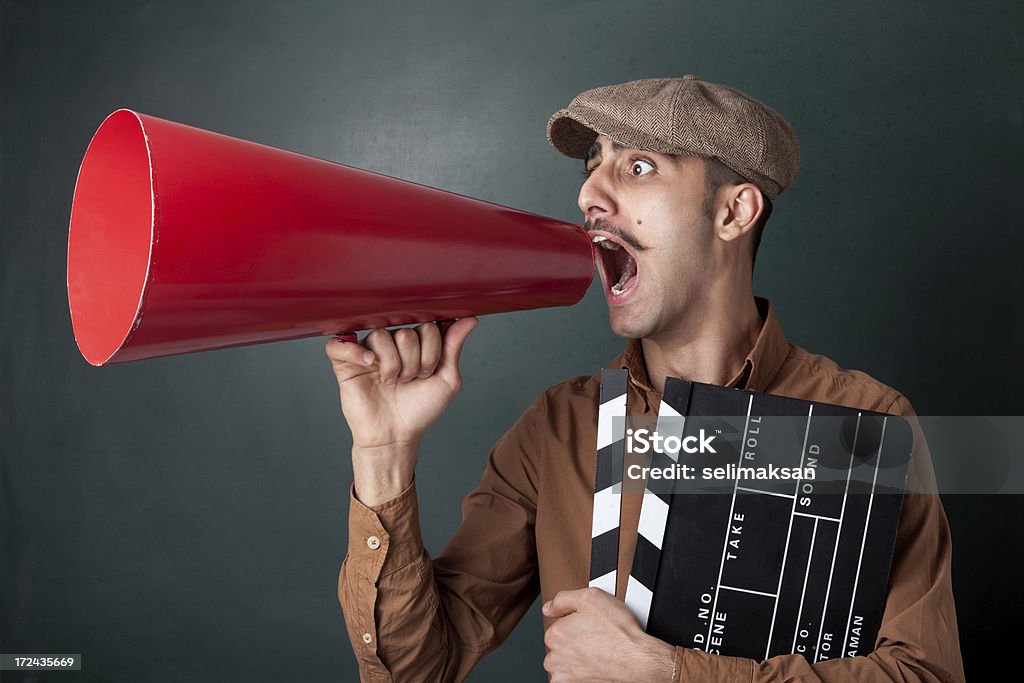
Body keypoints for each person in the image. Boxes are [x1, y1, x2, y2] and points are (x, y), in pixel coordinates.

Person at [326, 76, 965, 682]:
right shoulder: (559, 428)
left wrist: (668, 672)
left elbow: (923, 672)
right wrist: (383, 454)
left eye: (637, 167)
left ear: (734, 212)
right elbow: (416, 669)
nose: (588, 196)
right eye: (591, 166)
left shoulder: (866, 420)